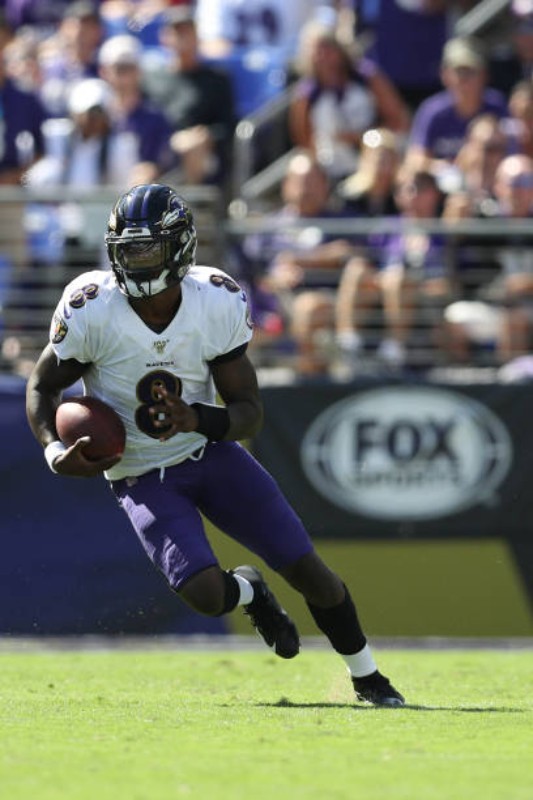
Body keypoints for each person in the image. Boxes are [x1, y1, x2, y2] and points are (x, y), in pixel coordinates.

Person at [25, 182, 405, 708]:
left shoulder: (215, 300)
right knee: (205, 595)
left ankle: (369, 677)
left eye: (147, 250)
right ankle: (249, 590)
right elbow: (43, 386)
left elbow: (250, 412)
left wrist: (199, 418)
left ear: (180, 247)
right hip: (140, 473)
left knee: (307, 570)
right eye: (126, 251)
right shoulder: (92, 307)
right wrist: (52, 450)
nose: (134, 262)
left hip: (211, 455)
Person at [288, 21, 410, 181]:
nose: (323, 58)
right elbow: (304, 141)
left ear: (339, 49)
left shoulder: (366, 78)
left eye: (327, 49)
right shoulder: (307, 95)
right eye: (317, 52)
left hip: (376, 165)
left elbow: (398, 120)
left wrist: (362, 138)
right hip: (334, 170)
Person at [405, 36, 509, 178]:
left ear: (484, 75)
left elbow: (512, 154)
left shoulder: (497, 106)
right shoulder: (432, 111)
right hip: (443, 186)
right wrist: (444, 169)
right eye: (458, 71)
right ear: (444, 75)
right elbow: (415, 160)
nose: (464, 79)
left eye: (470, 71)